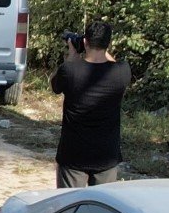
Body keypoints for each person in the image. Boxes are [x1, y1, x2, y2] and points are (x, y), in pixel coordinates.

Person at [50, 20, 132, 188]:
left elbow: (55, 85)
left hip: (73, 155)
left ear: (85, 42)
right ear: (108, 44)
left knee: (69, 206)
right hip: (106, 156)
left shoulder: (70, 70)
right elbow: (112, 63)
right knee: (101, 209)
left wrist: (72, 56)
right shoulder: (122, 72)